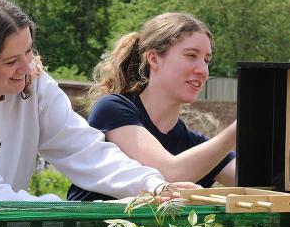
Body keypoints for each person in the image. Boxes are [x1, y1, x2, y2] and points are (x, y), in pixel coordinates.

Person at [0, 0, 196, 201]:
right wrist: (63, 211)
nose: (27, 68)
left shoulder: (35, 86)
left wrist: (152, 184)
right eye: (10, 61)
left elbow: (83, 149)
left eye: (28, 51)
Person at [68, 12, 236, 201]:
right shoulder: (113, 109)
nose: (202, 70)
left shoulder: (195, 145)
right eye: (191, 56)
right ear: (154, 59)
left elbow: (259, 183)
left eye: (206, 60)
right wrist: (241, 127)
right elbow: (166, 175)